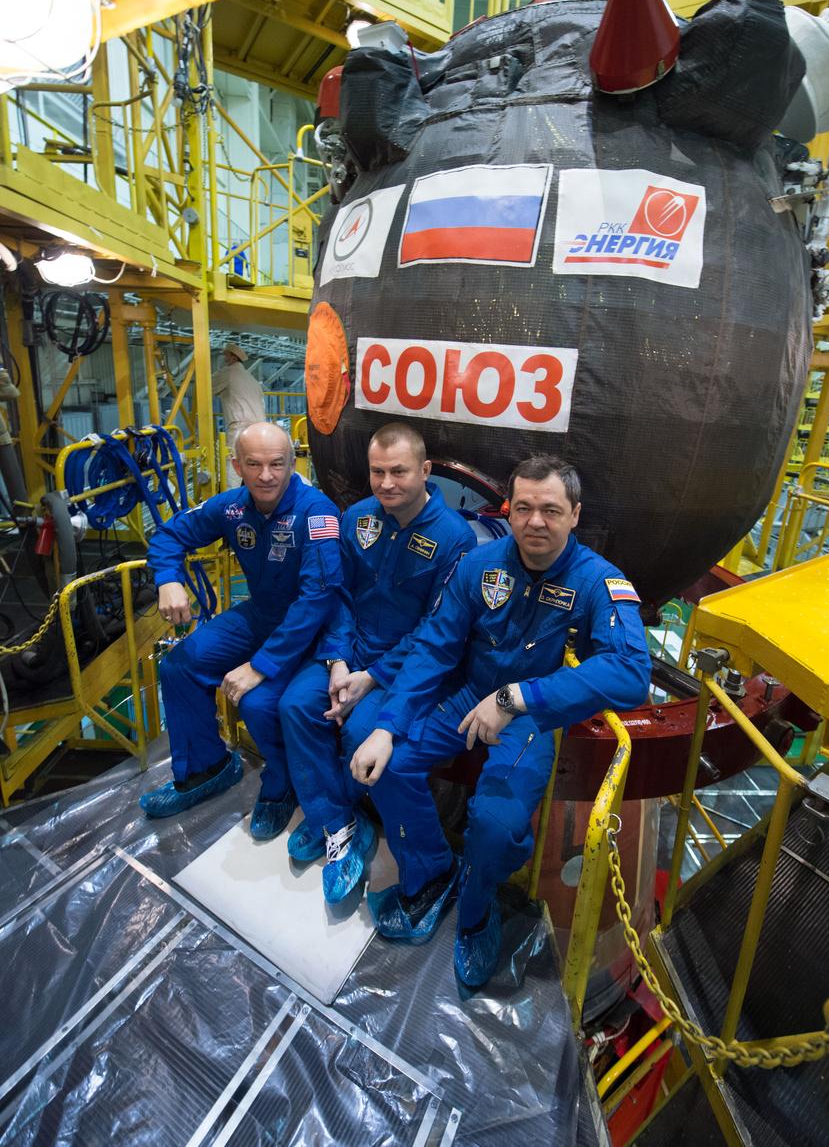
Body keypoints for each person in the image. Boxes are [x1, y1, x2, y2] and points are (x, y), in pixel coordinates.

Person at [345, 455, 651, 989]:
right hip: (467, 693)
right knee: (391, 765)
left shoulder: (599, 581)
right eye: (525, 508)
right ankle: (432, 872)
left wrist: (518, 697)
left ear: (574, 514)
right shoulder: (479, 565)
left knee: (496, 825)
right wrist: (385, 727)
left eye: (551, 510)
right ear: (509, 511)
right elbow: (434, 646)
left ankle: (477, 911)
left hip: (531, 713)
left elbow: (630, 672)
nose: (536, 521)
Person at [280, 422, 477, 904]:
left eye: (399, 472)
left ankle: (348, 814)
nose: (386, 483)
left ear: (425, 471)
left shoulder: (456, 541)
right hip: (351, 652)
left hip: (401, 667)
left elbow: (436, 630)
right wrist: (340, 662)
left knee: (358, 728)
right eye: (377, 472)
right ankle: (337, 823)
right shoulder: (358, 519)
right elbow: (341, 597)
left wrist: (373, 677)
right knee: (294, 705)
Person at [140, 422, 344, 839]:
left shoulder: (316, 512)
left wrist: (261, 665)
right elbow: (168, 535)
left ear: (292, 464)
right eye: (253, 464)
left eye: (276, 464)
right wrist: (167, 578)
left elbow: (316, 600)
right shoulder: (232, 507)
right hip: (262, 616)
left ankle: (282, 782)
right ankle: (207, 769)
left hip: (310, 628)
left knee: (260, 703)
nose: (265, 475)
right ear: (237, 465)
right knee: (180, 665)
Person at [211, 342, 266, 488]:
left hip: (240, 425)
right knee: (254, 461)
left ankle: (232, 499)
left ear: (233, 358)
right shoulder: (252, 379)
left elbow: (206, 386)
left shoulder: (228, 372)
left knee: (233, 460)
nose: (224, 359)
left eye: (226, 356)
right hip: (260, 427)